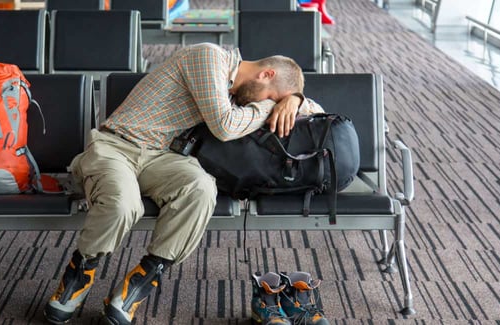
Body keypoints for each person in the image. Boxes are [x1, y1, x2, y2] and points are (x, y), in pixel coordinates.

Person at [43, 43, 324, 325]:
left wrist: (296, 100)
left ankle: (140, 282)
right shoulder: (208, 56)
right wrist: (269, 106)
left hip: (163, 156)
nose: (266, 105)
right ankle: (79, 273)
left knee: (202, 189)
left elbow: (317, 113)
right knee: (123, 205)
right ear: (266, 75)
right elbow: (225, 126)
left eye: (273, 103)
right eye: (271, 97)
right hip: (116, 146)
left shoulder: (238, 89)